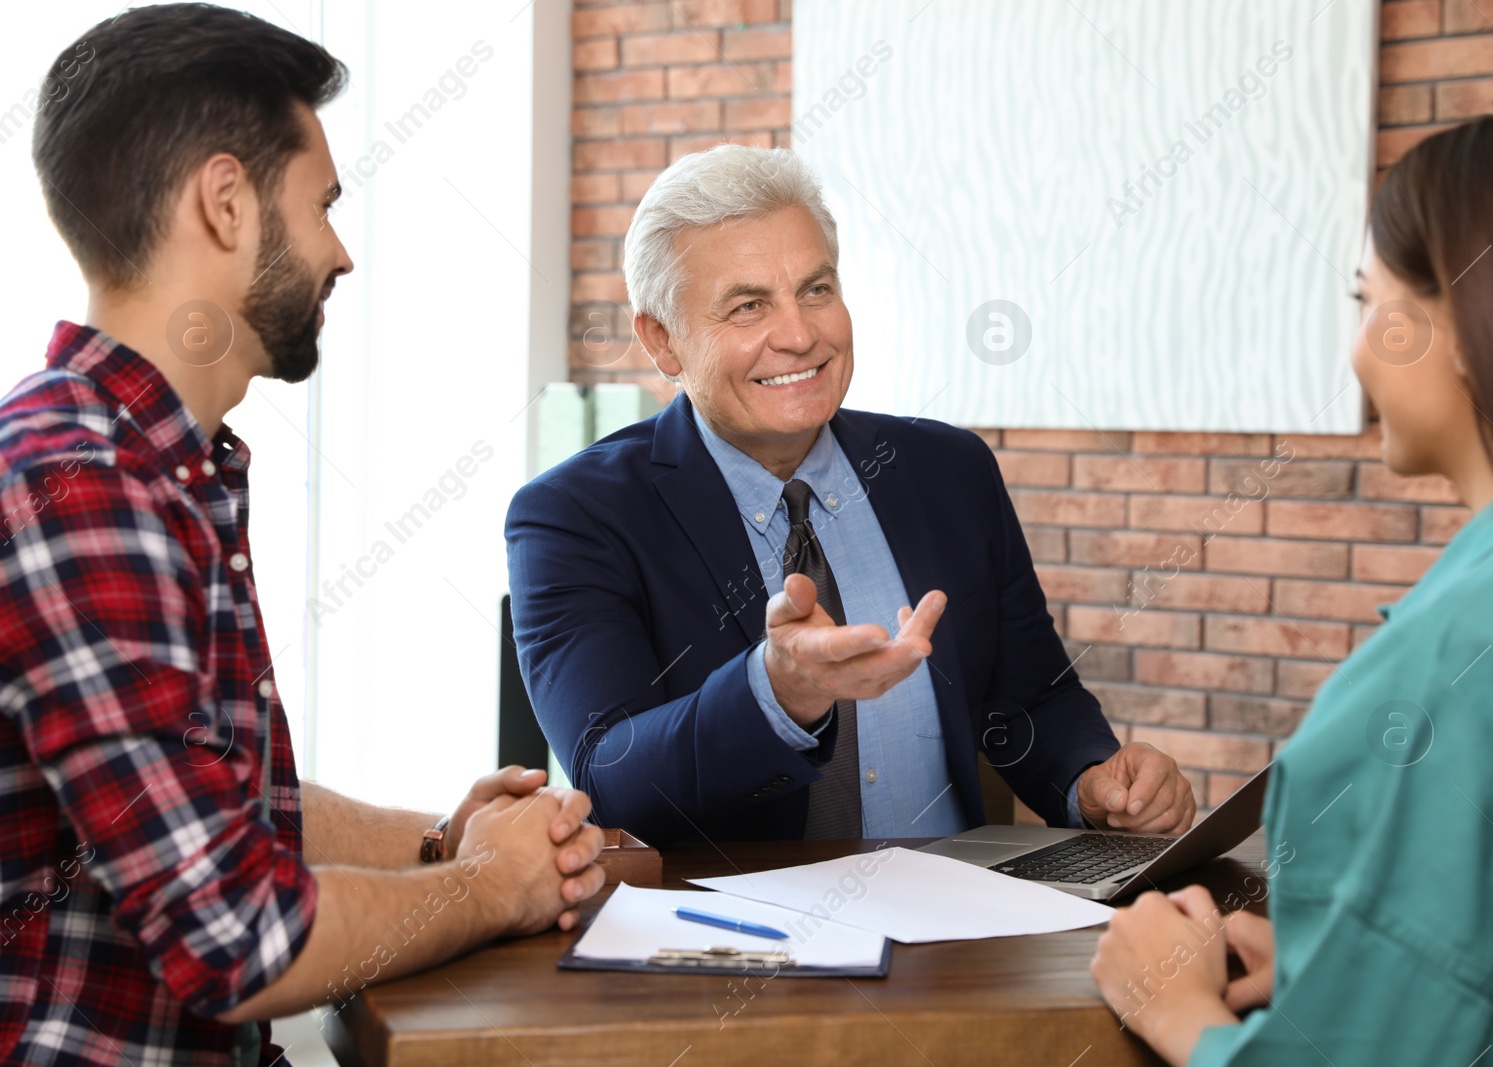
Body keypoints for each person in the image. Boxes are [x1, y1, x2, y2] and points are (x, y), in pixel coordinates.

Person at [0, 7, 604, 1065]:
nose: (341, 252)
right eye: (322, 204)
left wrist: (441, 842)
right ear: (225, 203)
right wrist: (491, 883)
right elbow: (240, 939)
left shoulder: (153, 464)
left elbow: (219, 795)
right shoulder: (83, 483)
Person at [1090, 107, 1493, 1065]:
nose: (1358, 351)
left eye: (1368, 300)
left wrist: (1180, 1013)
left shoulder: (1462, 658)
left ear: (1456, 325)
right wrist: (1354, 965)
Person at [506, 145, 1196, 845]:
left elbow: (1031, 699)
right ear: (662, 341)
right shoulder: (574, 516)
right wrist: (776, 695)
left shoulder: (951, 471)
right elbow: (612, 777)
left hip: (963, 932)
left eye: (816, 290)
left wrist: (1092, 782)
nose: (801, 335)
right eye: (749, 306)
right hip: (736, 941)